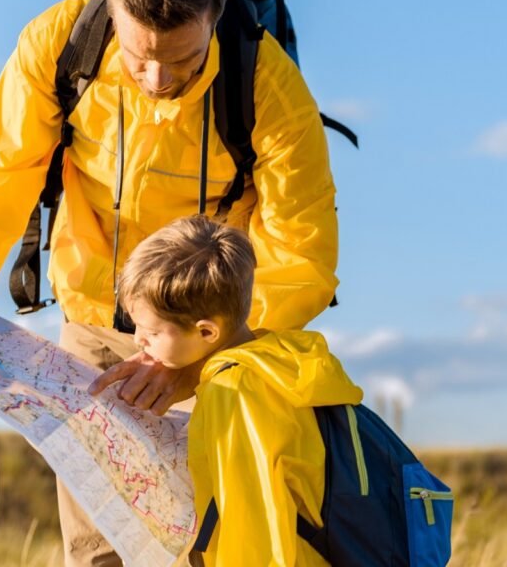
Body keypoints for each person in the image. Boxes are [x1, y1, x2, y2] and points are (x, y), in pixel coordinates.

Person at [0, 0, 338, 564]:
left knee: (207, 548)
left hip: (211, 350)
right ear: (111, 9)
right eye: (139, 58)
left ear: (214, 16)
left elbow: (301, 254)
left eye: (184, 60)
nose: (158, 78)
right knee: (99, 553)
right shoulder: (61, 43)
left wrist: (192, 360)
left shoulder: (269, 83)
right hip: (92, 326)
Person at [96, 215, 361, 566]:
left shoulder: (233, 392)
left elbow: (250, 524)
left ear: (207, 332)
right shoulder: (276, 360)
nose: (137, 340)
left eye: (153, 333)